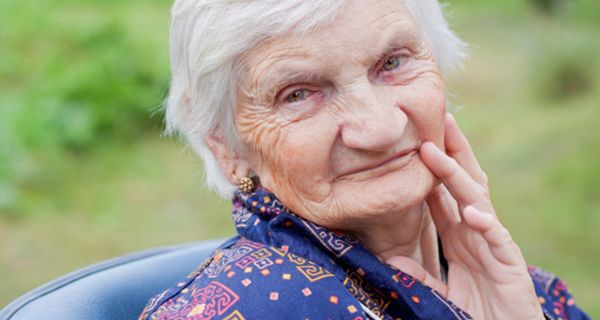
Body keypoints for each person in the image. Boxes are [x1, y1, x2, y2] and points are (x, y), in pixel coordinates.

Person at [139, 0, 590, 319]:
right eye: (298, 93)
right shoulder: (237, 310)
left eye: (392, 63)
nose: (379, 128)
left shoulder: (533, 296)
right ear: (226, 147)